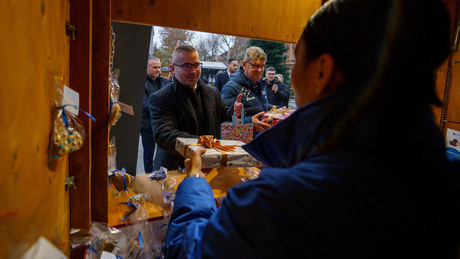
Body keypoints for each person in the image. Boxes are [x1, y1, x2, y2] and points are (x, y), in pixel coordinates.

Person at [164, 0, 460, 258]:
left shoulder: (282, 201)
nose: (287, 75)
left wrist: (197, 179)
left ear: (322, 71)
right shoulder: (442, 177)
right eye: (185, 66)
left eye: (297, 59)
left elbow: (191, 249)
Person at [148, 45, 242, 170]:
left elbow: (225, 116)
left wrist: (235, 112)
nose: (193, 71)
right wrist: (202, 142)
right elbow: (164, 136)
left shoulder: (212, 92)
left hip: (210, 166)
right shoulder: (160, 98)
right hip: (176, 169)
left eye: (196, 65)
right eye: (186, 66)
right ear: (173, 69)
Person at [221, 47, 272, 133]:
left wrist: (277, 110)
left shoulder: (260, 84)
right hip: (243, 144)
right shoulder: (231, 88)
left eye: (262, 66)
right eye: (255, 66)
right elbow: (223, 122)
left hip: (261, 140)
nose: (259, 70)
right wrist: (250, 123)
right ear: (244, 65)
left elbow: (262, 107)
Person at [140, 57, 170, 173]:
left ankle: (161, 176)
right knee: (148, 155)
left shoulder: (165, 82)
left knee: (163, 154)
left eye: (159, 67)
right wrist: (163, 108)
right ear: (147, 68)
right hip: (148, 126)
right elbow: (145, 105)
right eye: (155, 67)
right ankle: (148, 177)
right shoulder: (142, 83)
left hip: (163, 125)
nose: (158, 70)